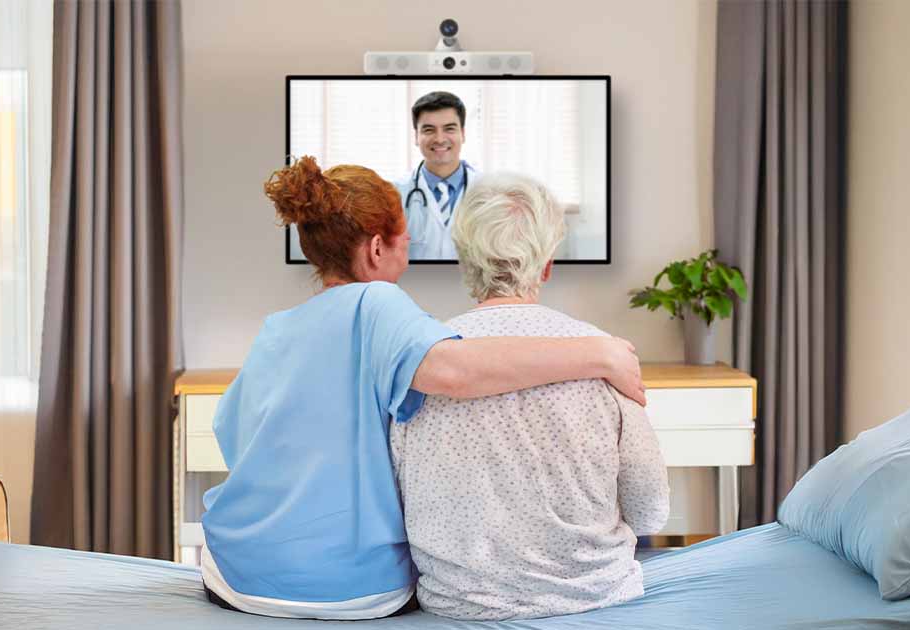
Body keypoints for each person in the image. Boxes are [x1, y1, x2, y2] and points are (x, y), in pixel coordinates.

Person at [199, 157, 649, 621]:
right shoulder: (376, 302)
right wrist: (601, 353)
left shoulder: (278, 328)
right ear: (377, 249)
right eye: (404, 232)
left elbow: (231, 434)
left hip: (233, 575)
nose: (411, 240)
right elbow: (458, 371)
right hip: (354, 590)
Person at [390, 172, 671, 620]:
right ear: (546, 264)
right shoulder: (605, 356)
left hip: (461, 604)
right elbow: (651, 510)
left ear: (465, 260)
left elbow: (398, 499)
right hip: (595, 598)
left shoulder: (423, 360)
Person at [394, 91, 478, 260]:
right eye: (429, 130)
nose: (439, 139)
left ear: (463, 134)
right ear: (417, 136)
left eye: (449, 129)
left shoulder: (490, 192)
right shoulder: (395, 193)